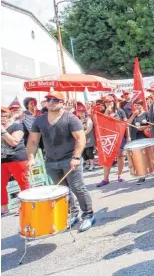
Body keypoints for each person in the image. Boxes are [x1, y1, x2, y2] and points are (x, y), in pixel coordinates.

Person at [27, 92, 95, 232]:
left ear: (62, 103)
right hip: (51, 161)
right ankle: (73, 213)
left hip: (69, 159)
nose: (51, 102)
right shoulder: (39, 120)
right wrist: (31, 158)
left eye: (55, 100)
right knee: (62, 190)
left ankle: (88, 215)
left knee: (77, 187)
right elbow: (33, 140)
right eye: (48, 99)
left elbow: (80, 139)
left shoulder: (71, 118)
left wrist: (76, 157)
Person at [1, 106, 30, 215]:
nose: (1, 118)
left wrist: (3, 131)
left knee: (23, 182)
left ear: (8, 116)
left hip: (16, 159)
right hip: (2, 160)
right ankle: (4, 207)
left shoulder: (16, 126)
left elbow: (14, 142)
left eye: (3, 116)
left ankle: (25, 205)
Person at [97, 95, 129, 187]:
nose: (108, 103)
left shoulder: (120, 111)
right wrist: (107, 111)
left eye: (110, 101)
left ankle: (120, 174)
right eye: (106, 102)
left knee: (120, 155)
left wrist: (128, 136)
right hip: (109, 137)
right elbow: (102, 123)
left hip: (120, 137)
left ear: (114, 102)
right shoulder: (102, 112)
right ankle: (105, 178)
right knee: (107, 157)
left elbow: (125, 124)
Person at [127, 99, 150, 185]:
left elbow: (150, 124)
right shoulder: (133, 114)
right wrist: (133, 116)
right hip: (135, 137)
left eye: (138, 105)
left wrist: (143, 128)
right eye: (135, 105)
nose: (137, 107)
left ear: (142, 105)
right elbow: (127, 124)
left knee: (146, 156)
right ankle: (142, 175)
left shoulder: (146, 114)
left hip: (144, 137)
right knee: (138, 157)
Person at [76, 103, 96, 171]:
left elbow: (88, 129)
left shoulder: (88, 119)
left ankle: (92, 164)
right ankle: (87, 163)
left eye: (82, 111)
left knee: (89, 152)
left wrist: (81, 134)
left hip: (88, 138)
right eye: (79, 111)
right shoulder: (77, 120)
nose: (81, 113)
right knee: (83, 152)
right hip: (80, 139)